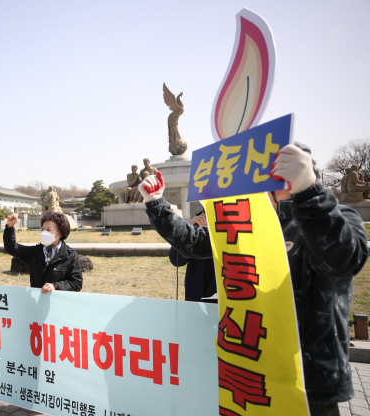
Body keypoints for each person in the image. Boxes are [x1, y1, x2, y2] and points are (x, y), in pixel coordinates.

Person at [139, 143, 367, 416]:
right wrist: (156, 203)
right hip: (252, 365)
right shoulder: (251, 226)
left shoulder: (339, 217)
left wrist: (310, 192)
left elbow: (342, 259)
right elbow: (192, 243)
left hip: (310, 378)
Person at [3, 211, 82, 293]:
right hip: (37, 302)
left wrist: (55, 286)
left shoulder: (70, 255)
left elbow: (76, 283)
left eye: (49, 230)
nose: (44, 233)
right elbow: (11, 248)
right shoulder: (34, 252)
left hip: (59, 303)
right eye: (43, 229)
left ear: (60, 233)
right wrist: (9, 226)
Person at [168, 211, 217, 303]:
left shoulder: (232, 226)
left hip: (221, 300)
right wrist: (189, 230)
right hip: (195, 298)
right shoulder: (195, 223)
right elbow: (175, 260)